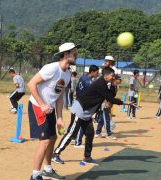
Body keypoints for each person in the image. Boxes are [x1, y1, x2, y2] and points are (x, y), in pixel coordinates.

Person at [52, 67, 134, 165]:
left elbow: (110, 95)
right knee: (71, 133)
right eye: (112, 75)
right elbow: (110, 98)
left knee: (90, 133)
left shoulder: (107, 84)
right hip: (80, 110)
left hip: (87, 114)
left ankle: (87, 157)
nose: (113, 77)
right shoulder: (100, 84)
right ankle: (55, 154)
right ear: (106, 75)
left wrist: (113, 85)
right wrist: (125, 102)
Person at [27, 42, 79, 180]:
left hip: (49, 108)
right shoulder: (51, 68)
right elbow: (31, 84)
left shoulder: (67, 74)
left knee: (53, 137)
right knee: (44, 141)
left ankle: (48, 169)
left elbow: (60, 97)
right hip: (37, 106)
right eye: (74, 53)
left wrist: (60, 117)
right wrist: (42, 104)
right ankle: (35, 175)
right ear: (66, 54)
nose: (77, 55)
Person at [74, 65, 99, 147]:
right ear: (92, 72)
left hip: (78, 100)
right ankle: (77, 142)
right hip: (82, 104)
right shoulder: (89, 82)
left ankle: (74, 138)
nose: (98, 74)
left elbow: (78, 88)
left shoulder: (83, 76)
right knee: (80, 122)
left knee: (77, 122)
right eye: (97, 72)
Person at [95, 75, 122, 139]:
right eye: (119, 79)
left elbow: (111, 96)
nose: (120, 81)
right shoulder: (109, 85)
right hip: (104, 103)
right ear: (115, 79)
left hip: (109, 103)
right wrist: (106, 102)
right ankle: (108, 134)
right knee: (107, 119)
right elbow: (105, 94)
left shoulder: (116, 86)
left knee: (101, 118)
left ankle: (97, 133)